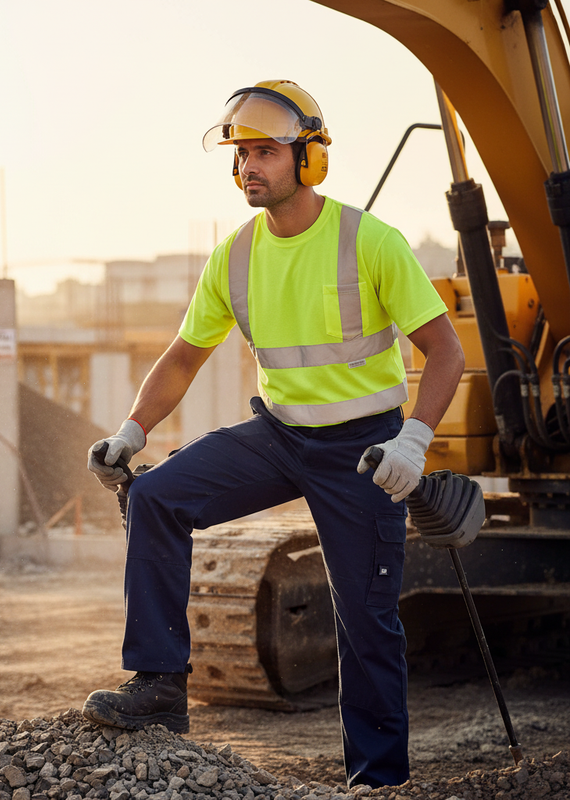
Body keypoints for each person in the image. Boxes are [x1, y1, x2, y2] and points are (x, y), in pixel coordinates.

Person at [82, 79, 465, 789]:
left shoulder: (368, 241)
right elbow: (184, 355)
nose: (248, 167)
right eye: (241, 154)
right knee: (157, 498)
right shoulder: (235, 255)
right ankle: (160, 688)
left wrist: (413, 441)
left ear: (309, 157)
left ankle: (378, 780)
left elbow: (446, 350)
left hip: (366, 451)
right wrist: (133, 431)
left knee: (365, 621)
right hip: (281, 435)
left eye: (265, 151)